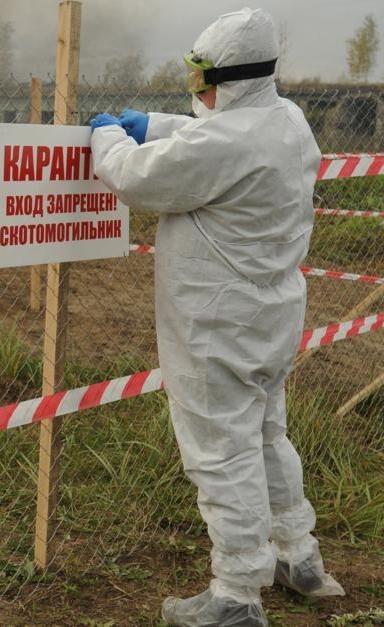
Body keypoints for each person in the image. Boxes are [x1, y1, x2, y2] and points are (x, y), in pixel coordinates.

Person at [88, 8, 344, 626]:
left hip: (216, 326)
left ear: (230, 78)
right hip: (272, 316)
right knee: (265, 437)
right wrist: (155, 123)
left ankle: (235, 595)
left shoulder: (224, 143)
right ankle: (299, 557)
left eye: (202, 77)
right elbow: (216, 134)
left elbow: (137, 178)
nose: (196, 90)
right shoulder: (288, 120)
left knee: (220, 452)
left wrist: (111, 136)